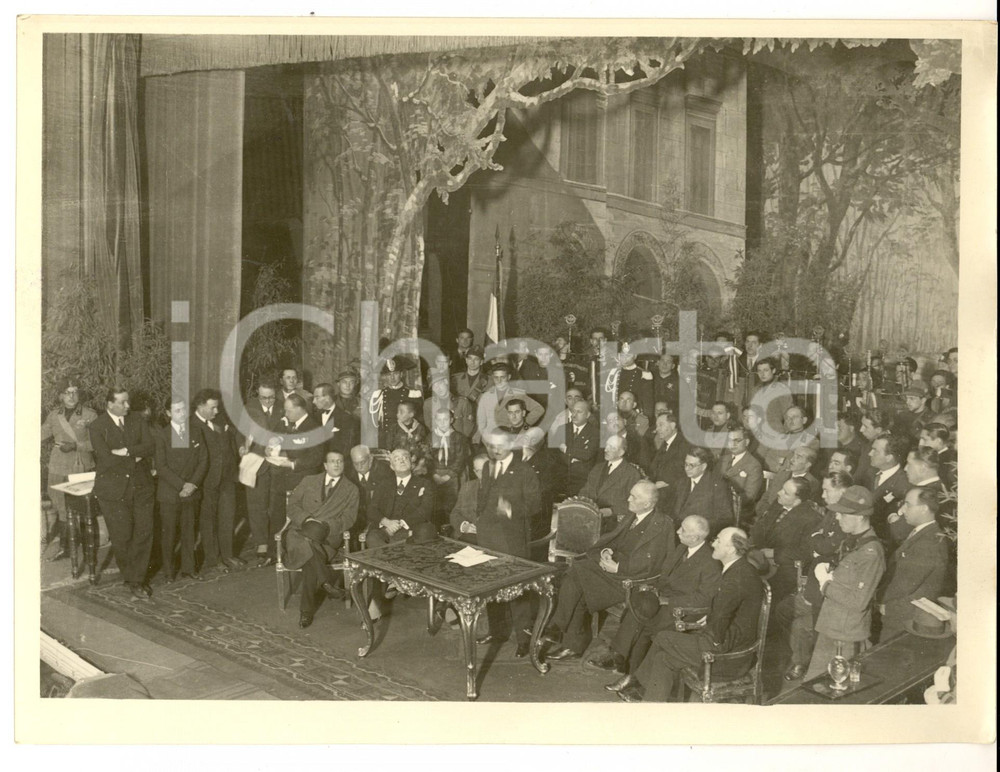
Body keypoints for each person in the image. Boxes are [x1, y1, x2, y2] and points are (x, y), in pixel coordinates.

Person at [622, 527, 763, 702]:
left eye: (718, 540)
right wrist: (708, 620)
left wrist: (710, 639)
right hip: (729, 639)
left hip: (727, 653)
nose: (713, 543)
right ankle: (650, 702)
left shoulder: (736, 578)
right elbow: (726, 611)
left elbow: (722, 618)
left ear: (731, 549)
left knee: (663, 637)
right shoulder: (741, 569)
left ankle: (639, 686)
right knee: (663, 658)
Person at [544, 481, 675, 662]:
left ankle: (562, 633)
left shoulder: (662, 524)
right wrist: (606, 552)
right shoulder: (633, 515)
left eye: (633, 497)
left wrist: (618, 567)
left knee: (577, 577)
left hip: (631, 579)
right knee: (577, 572)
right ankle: (565, 636)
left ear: (647, 503)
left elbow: (653, 563)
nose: (628, 499)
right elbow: (614, 541)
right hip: (612, 569)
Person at [596, 515, 721, 689]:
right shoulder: (681, 549)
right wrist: (651, 587)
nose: (678, 531)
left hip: (684, 609)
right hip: (662, 598)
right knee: (636, 608)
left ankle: (625, 663)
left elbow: (704, 598)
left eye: (683, 530)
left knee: (643, 623)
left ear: (696, 537)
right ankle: (626, 666)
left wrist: (668, 600)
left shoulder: (710, 562)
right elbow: (663, 576)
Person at [774, 471, 854, 681]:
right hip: (811, 584)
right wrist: (820, 544)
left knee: (802, 625)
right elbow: (814, 541)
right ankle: (799, 653)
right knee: (782, 611)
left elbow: (827, 546)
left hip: (824, 593)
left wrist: (820, 544)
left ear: (842, 491)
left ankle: (801, 662)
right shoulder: (830, 513)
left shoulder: (847, 519)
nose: (823, 496)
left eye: (827, 490)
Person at [803, 485, 886, 679]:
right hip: (832, 626)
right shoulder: (853, 542)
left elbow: (858, 602)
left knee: (837, 689)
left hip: (846, 634)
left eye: (843, 514)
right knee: (814, 683)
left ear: (859, 517)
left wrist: (825, 583)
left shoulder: (871, 553)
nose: (837, 518)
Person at [475, 430, 542, 656]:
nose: (495, 450)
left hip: (512, 538)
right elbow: (483, 496)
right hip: (488, 536)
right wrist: (479, 518)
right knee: (491, 585)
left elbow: (535, 506)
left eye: (500, 445)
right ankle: (497, 631)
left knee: (517, 590)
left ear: (511, 444)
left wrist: (511, 510)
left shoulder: (525, 470)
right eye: (491, 445)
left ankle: (524, 639)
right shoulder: (487, 467)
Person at [89, 387, 156, 599]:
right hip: (113, 491)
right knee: (122, 536)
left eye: (128, 402)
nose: (128, 406)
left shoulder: (137, 420)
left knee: (144, 533)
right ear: (110, 404)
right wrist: (134, 458)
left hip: (142, 486)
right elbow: (105, 459)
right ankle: (130, 576)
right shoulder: (97, 426)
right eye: (123, 402)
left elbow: (150, 446)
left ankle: (137, 580)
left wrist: (127, 451)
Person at [283, 451, 360, 628]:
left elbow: (349, 519)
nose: (336, 465)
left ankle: (308, 609)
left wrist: (326, 526)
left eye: (340, 461)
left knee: (310, 551)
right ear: (325, 465)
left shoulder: (351, 489)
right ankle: (323, 584)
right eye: (332, 461)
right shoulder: (308, 481)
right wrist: (306, 519)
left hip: (326, 538)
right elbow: (292, 506)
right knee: (308, 546)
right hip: (299, 533)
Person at [257, 393, 326, 565]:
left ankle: (296, 557)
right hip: (280, 480)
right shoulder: (285, 422)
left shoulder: (314, 427)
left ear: (299, 409)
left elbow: (316, 458)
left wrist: (292, 464)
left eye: (288, 410)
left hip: (301, 481)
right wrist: (270, 445)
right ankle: (273, 554)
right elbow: (273, 437)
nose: (285, 414)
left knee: (297, 520)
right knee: (276, 516)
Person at [877, 487, 950, 642]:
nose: (903, 510)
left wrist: (885, 605)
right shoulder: (922, 533)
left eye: (908, 505)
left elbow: (905, 585)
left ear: (924, 509)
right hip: (900, 614)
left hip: (904, 618)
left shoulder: (928, 542)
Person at [41, 378, 97, 560]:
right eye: (67, 392)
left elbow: (97, 444)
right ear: (60, 396)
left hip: (80, 466)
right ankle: (66, 547)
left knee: (82, 507)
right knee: (60, 507)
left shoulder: (90, 415)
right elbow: (40, 434)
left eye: (74, 391)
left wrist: (75, 446)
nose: (71, 396)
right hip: (58, 467)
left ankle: (85, 549)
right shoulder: (53, 416)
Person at [154, 397, 208, 582]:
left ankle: (189, 568)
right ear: (168, 414)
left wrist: (193, 484)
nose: (182, 414)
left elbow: (203, 460)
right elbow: (161, 467)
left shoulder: (196, 431)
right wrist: (181, 485)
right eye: (177, 411)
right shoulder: (162, 435)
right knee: (169, 534)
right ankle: (169, 572)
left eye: (184, 410)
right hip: (170, 493)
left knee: (189, 532)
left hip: (191, 491)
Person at [191, 389, 243, 573]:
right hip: (207, 482)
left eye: (217, 408)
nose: (217, 411)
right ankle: (214, 560)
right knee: (209, 521)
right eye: (213, 408)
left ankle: (228, 555)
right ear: (200, 406)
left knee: (227, 518)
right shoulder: (192, 425)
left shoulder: (220, 421)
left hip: (227, 479)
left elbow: (231, 441)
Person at [750, 477, 822, 602]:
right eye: (782, 489)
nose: (779, 493)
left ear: (797, 502)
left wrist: (774, 553)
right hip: (761, 557)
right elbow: (760, 527)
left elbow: (806, 553)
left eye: (785, 493)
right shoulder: (778, 503)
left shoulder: (812, 519)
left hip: (785, 566)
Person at [239, 378, 285, 567]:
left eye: (271, 398)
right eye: (263, 398)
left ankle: (276, 542)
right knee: (256, 504)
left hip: (276, 463)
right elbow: (240, 433)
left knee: (276, 505)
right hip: (255, 462)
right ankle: (261, 543)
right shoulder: (249, 408)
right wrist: (241, 446)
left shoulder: (283, 407)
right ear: (258, 395)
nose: (267, 402)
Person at [365, 447, 435, 548]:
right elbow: (372, 509)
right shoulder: (383, 484)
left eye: (405, 457)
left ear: (411, 463)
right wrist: (386, 522)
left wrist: (401, 524)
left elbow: (426, 509)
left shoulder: (425, 484)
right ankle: (387, 563)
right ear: (392, 466)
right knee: (373, 538)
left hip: (413, 528)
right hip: (386, 529)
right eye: (397, 459)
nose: (402, 460)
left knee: (425, 532)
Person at [576, 434, 645, 525]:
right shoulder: (597, 468)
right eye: (606, 445)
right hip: (589, 517)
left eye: (611, 447)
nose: (606, 450)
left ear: (621, 452)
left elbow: (635, 502)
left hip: (614, 521)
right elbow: (586, 490)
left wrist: (611, 511)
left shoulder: (631, 474)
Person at [475, 360, 544, 441]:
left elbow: (539, 409)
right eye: (496, 377)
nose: (499, 381)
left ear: (509, 377)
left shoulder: (518, 394)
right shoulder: (485, 396)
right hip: (489, 438)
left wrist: (525, 425)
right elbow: (481, 422)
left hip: (511, 437)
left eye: (502, 377)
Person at [674, 447, 733, 536]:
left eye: (692, 465)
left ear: (703, 466)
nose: (687, 468)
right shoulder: (682, 480)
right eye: (686, 464)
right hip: (677, 529)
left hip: (699, 534)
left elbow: (725, 518)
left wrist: (700, 527)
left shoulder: (718, 485)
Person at [640, 410, 690, 514]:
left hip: (675, 493)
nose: (657, 429)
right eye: (657, 426)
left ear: (672, 425)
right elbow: (654, 468)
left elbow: (685, 473)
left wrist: (664, 483)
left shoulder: (684, 445)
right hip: (660, 489)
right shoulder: (666, 444)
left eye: (661, 425)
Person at [428, 407, 471, 527]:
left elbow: (461, 458)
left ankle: (452, 527)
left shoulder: (459, 437)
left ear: (451, 420)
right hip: (435, 474)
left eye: (445, 419)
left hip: (453, 475)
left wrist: (449, 475)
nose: (442, 423)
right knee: (435, 504)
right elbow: (427, 457)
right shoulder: (430, 437)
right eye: (439, 420)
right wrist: (434, 474)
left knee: (452, 503)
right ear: (435, 421)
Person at [369, 356, 423, 448]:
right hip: (384, 441)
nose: (392, 377)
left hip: (405, 441)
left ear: (401, 374)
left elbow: (419, 422)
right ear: (384, 377)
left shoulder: (413, 394)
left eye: (396, 373)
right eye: (389, 374)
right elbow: (373, 424)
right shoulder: (378, 395)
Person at [717, 426, 764, 525]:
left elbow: (749, 496)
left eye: (737, 440)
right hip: (718, 504)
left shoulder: (754, 465)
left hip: (740, 510)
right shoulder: (723, 459)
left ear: (746, 442)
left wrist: (722, 502)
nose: (732, 444)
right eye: (729, 440)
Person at [868, 434, 911, 539]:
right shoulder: (869, 473)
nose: (870, 453)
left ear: (889, 458)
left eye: (875, 451)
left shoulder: (903, 485)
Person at [558, 397, 600, 497]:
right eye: (573, 411)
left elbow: (587, 454)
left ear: (587, 415)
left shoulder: (595, 432)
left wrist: (566, 449)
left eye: (579, 412)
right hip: (560, 478)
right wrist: (575, 456)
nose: (574, 415)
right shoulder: (561, 429)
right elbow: (553, 454)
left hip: (581, 480)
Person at [312, 382, 359, 458]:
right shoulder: (314, 417)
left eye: (317, 397)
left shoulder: (346, 418)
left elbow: (347, 448)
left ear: (327, 398)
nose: (313, 401)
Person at [449, 453, 489, 543]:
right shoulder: (467, 487)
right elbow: (455, 513)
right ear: (474, 472)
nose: (482, 474)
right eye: (479, 471)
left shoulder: (503, 488)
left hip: (491, 540)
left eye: (486, 469)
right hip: (467, 537)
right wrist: (463, 526)